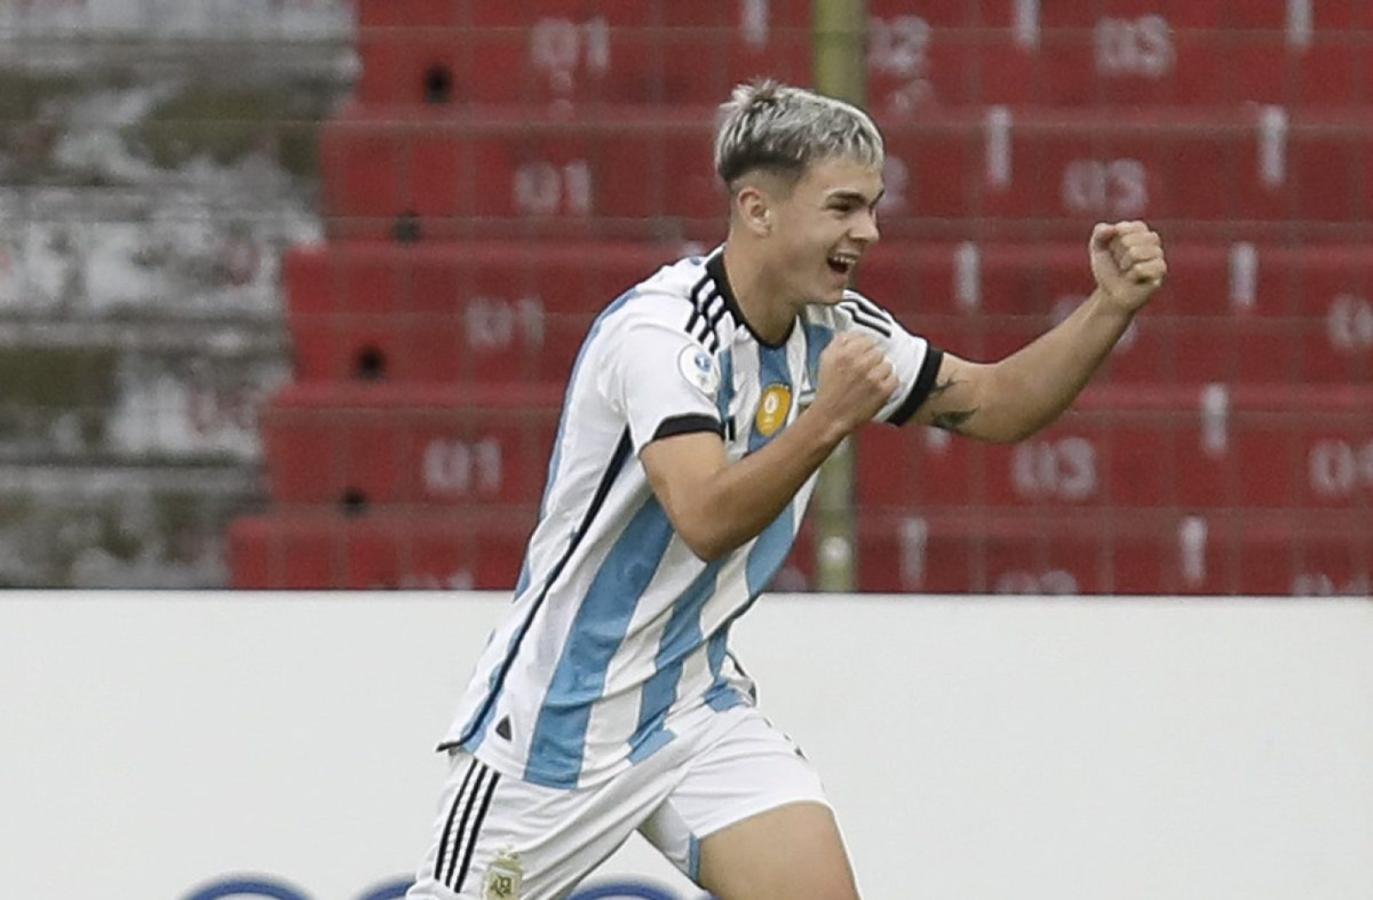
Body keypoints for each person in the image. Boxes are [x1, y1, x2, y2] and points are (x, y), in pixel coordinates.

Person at [404, 80, 1166, 900]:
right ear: (756, 208)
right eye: (842, 208)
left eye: (871, 209)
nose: (866, 232)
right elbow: (703, 516)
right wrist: (825, 420)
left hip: (693, 709)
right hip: (556, 724)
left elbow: (993, 405)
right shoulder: (662, 335)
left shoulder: (838, 327)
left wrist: (1107, 308)